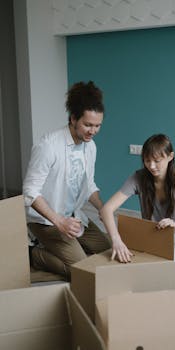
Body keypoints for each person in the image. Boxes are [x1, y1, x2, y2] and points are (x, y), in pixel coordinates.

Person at [23, 81, 111, 280]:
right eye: (87, 125)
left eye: (97, 126)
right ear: (73, 119)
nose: (93, 131)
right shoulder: (48, 145)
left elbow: (89, 185)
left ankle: (70, 248)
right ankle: (34, 254)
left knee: (108, 252)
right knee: (83, 273)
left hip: (75, 217)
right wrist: (59, 221)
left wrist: (102, 208)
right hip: (47, 221)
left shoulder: (91, 147)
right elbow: (30, 191)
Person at [100, 134, 175, 263]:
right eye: (147, 161)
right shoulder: (139, 177)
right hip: (154, 235)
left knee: (169, 271)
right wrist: (116, 240)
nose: (152, 166)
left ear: (170, 156)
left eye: (157, 161)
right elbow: (106, 210)